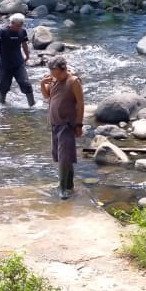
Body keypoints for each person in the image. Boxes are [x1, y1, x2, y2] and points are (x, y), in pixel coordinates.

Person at [40, 55, 84, 199]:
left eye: (56, 72)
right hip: (55, 124)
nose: (53, 75)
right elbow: (47, 96)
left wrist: (79, 124)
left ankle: (63, 188)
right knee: (61, 156)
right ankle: (69, 185)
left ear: (63, 69)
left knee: (64, 157)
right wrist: (42, 84)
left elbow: (80, 104)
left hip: (67, 124)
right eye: (52, 72)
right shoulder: (54, 80)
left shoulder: (73, 81)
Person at [0, 13, 35, 106]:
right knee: (4, 86)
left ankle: (32, 105)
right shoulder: (3, 32)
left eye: (21, 25)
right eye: (18, 25)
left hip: (18, 63)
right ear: (12, 23)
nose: (20, 27)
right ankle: (2, 105)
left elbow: (24, 44)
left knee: (25, 83)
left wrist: (27, 55)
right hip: (4, 64)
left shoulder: (22, 31)